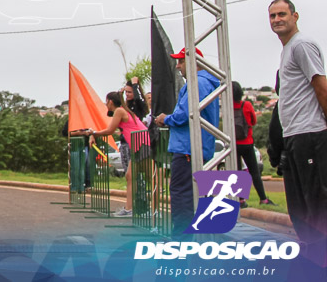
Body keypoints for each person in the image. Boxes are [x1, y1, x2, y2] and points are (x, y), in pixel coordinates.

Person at [268, 0, 327, 262]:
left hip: (310, 133)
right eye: (273, 16)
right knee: (300, 203)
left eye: (282, 14)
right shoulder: (288, 49)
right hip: (294, 135)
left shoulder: (302, 45)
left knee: (316, 201)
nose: (277, 19)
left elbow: (321, 85)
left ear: (295, 16)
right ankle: (312, 255)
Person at [155, 47, 220, 235]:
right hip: (198, 147)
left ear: (194, 62)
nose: (178, 66)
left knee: (182, 195)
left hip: (188, 148)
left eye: (181, 61)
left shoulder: (197, 84)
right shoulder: (207, 82)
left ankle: (182, 239)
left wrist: (165, 119)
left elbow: (184, 115)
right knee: (195, 196)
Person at [92, 90, 151, 217]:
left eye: (106, 101)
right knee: (130, 176)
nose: (106, 104)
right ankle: (129, 208)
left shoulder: (119, 111)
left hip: (141, 144)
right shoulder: (123, 110)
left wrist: (93, 133)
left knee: (150, 177)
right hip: (139, 144)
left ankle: (148, 210)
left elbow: (110, 130)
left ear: (110, 101)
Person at [232, 81, 272, 207]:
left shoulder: (228, 106)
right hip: (247, 143)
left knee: (237, 172)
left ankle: (241, 200)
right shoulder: (247, 105)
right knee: (254, 172)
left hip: (234, 144)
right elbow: (253, 121)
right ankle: (263, 198)